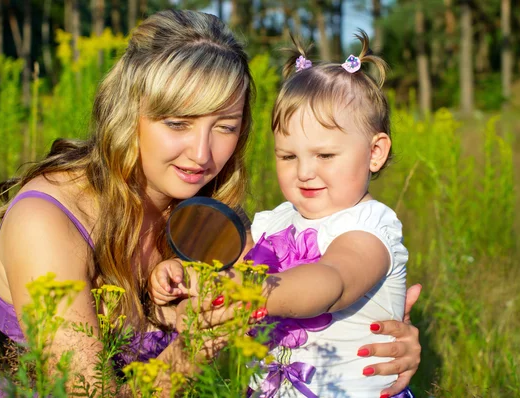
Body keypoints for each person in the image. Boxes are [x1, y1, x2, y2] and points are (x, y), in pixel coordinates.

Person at [0, 9, 420, 397]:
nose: (202, 154)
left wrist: (380, 333)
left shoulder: (208, 213)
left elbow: (317, 285)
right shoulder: (49, 220)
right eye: (178, 123)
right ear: (130, 113)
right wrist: (204, 342)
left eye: (225, 127)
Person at [150, 31, 417, 398]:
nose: (304, 172)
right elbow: (229, 275)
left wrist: (246, 290)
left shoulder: (370, 226)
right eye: (288, 156)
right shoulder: (273, 222)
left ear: (375, 153)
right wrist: (188, 279)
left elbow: (331, 282)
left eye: (325, 156)